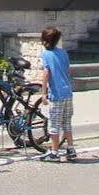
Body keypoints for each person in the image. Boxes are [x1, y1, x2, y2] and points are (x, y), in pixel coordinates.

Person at [34, 26, 76, 161]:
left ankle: (55, 152)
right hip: (67, 92)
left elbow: (47, 73)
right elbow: (67, 70)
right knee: (66, 122)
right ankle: (70, 148)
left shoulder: (46, 54)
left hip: (56, 94)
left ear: (44, 40)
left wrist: (44, 92)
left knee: (54, 124)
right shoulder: (63, 53)